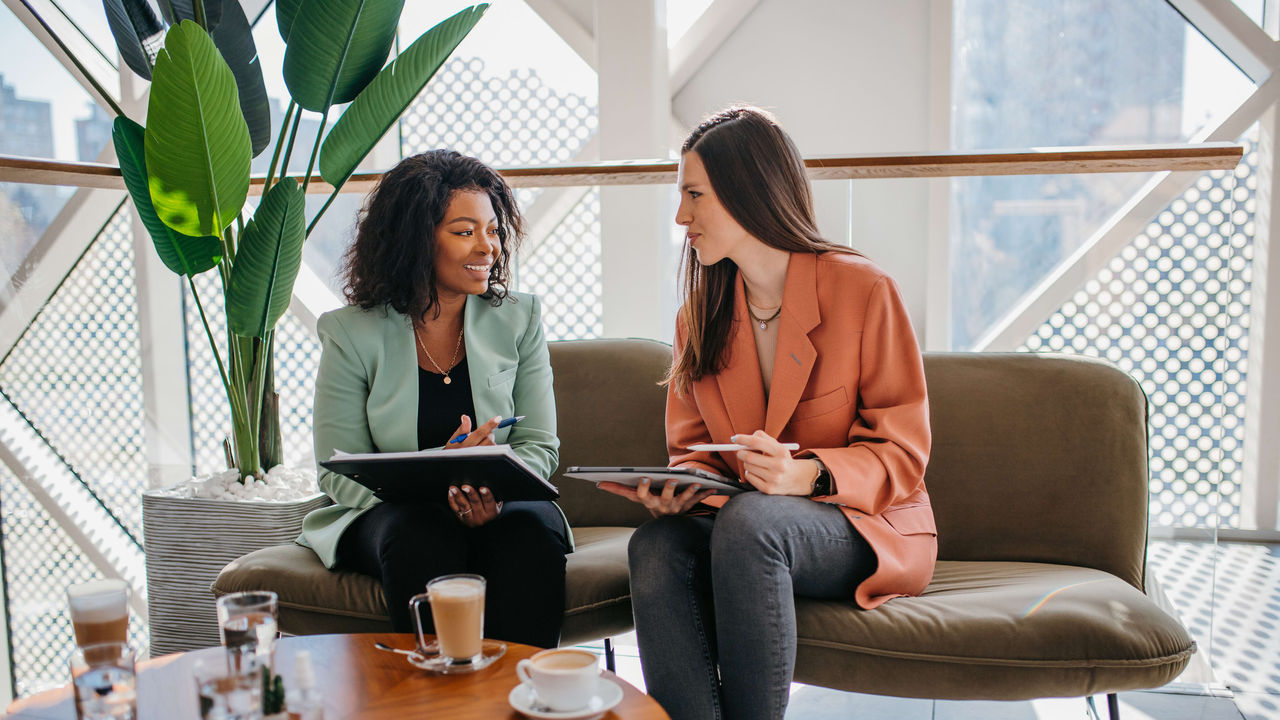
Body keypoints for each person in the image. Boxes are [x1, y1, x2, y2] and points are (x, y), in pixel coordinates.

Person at [600, 107, 936, 720]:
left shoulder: (863, 291)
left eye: (693, 195)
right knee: (657, 546)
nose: (681, 217)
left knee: (754, 524)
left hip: (862, 523)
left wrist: (805, 475)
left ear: (746, 192)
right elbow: (695, 450)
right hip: (742, 521)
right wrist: (684, 491)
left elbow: (903, 452)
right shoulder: (697, 319)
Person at [298, 150, 568, 649]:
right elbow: (337, 467)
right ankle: (437, 700)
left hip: (501, 505)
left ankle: (527, 694)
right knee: (421, 533)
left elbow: (538, 445)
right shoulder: (350, 332)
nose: (488, 246)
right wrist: (437, 481)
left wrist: (494, 491)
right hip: (391, 513)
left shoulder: (520, 318)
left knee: (529, 531)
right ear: (416, 240)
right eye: (465, 231)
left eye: (493, 229)